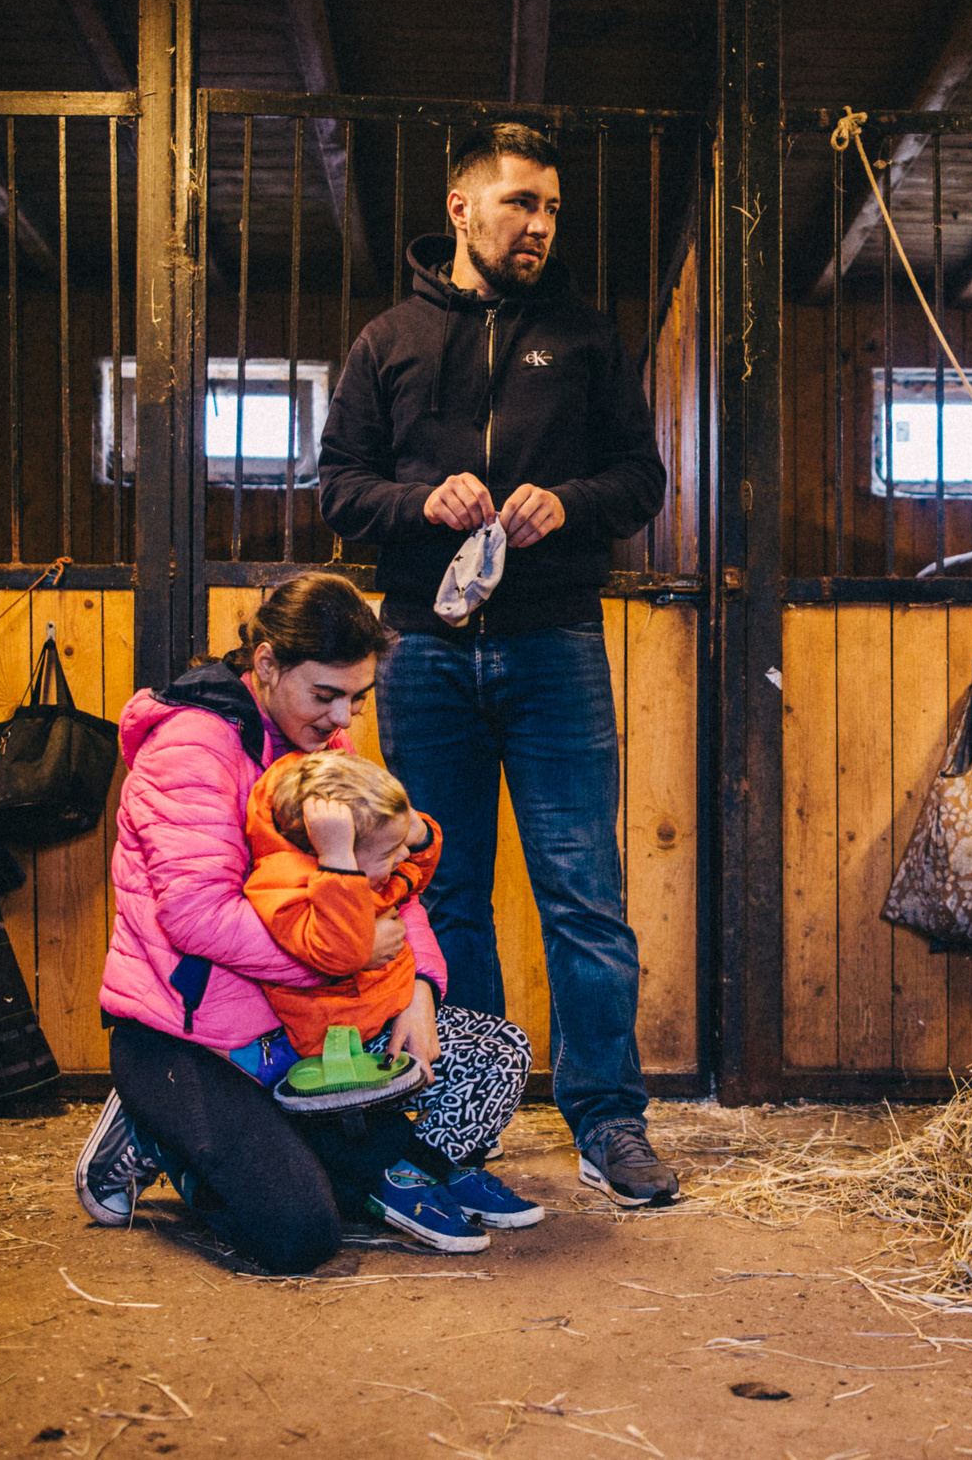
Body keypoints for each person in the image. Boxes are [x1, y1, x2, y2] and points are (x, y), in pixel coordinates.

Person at [318, 122, 678, 1207]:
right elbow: (338, 487)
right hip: (423, 651)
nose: (541, 225)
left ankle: (607, 1121)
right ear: (463, 208)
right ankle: (466, 1126)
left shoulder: (583, 341)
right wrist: (416, 503)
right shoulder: (388, 342)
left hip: (553, 642)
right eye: (522, 203)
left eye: (553, 208)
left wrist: (569, 501)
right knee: (448, 897)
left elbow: (642, 480)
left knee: (584, 894)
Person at [72, 574, 523, 1270]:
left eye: (357, 699)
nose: (343, 721)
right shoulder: (189, 747)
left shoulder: (319, 751)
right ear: (266, 665)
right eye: (325, 695)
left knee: (483, 1055)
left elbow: (386, 876)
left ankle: (325, 1149)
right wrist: (347, 955)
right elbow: (197, 916)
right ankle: (152, 1127)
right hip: (185, 1037)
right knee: (296, 1233)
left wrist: (418, 988)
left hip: (297, 1028)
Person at [222, 749, 541, 1252]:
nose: (400, 861)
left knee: (505, 1049)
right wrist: (339, 863)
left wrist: (416, 831)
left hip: (385, 1022)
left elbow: (418, 866)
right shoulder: (282, 882)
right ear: (329, 848)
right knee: (488, 1060)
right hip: (342, 1053)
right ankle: (407, 1179)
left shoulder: (374, 864)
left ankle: (440, 1167)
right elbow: (343, 951)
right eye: (388, 851)